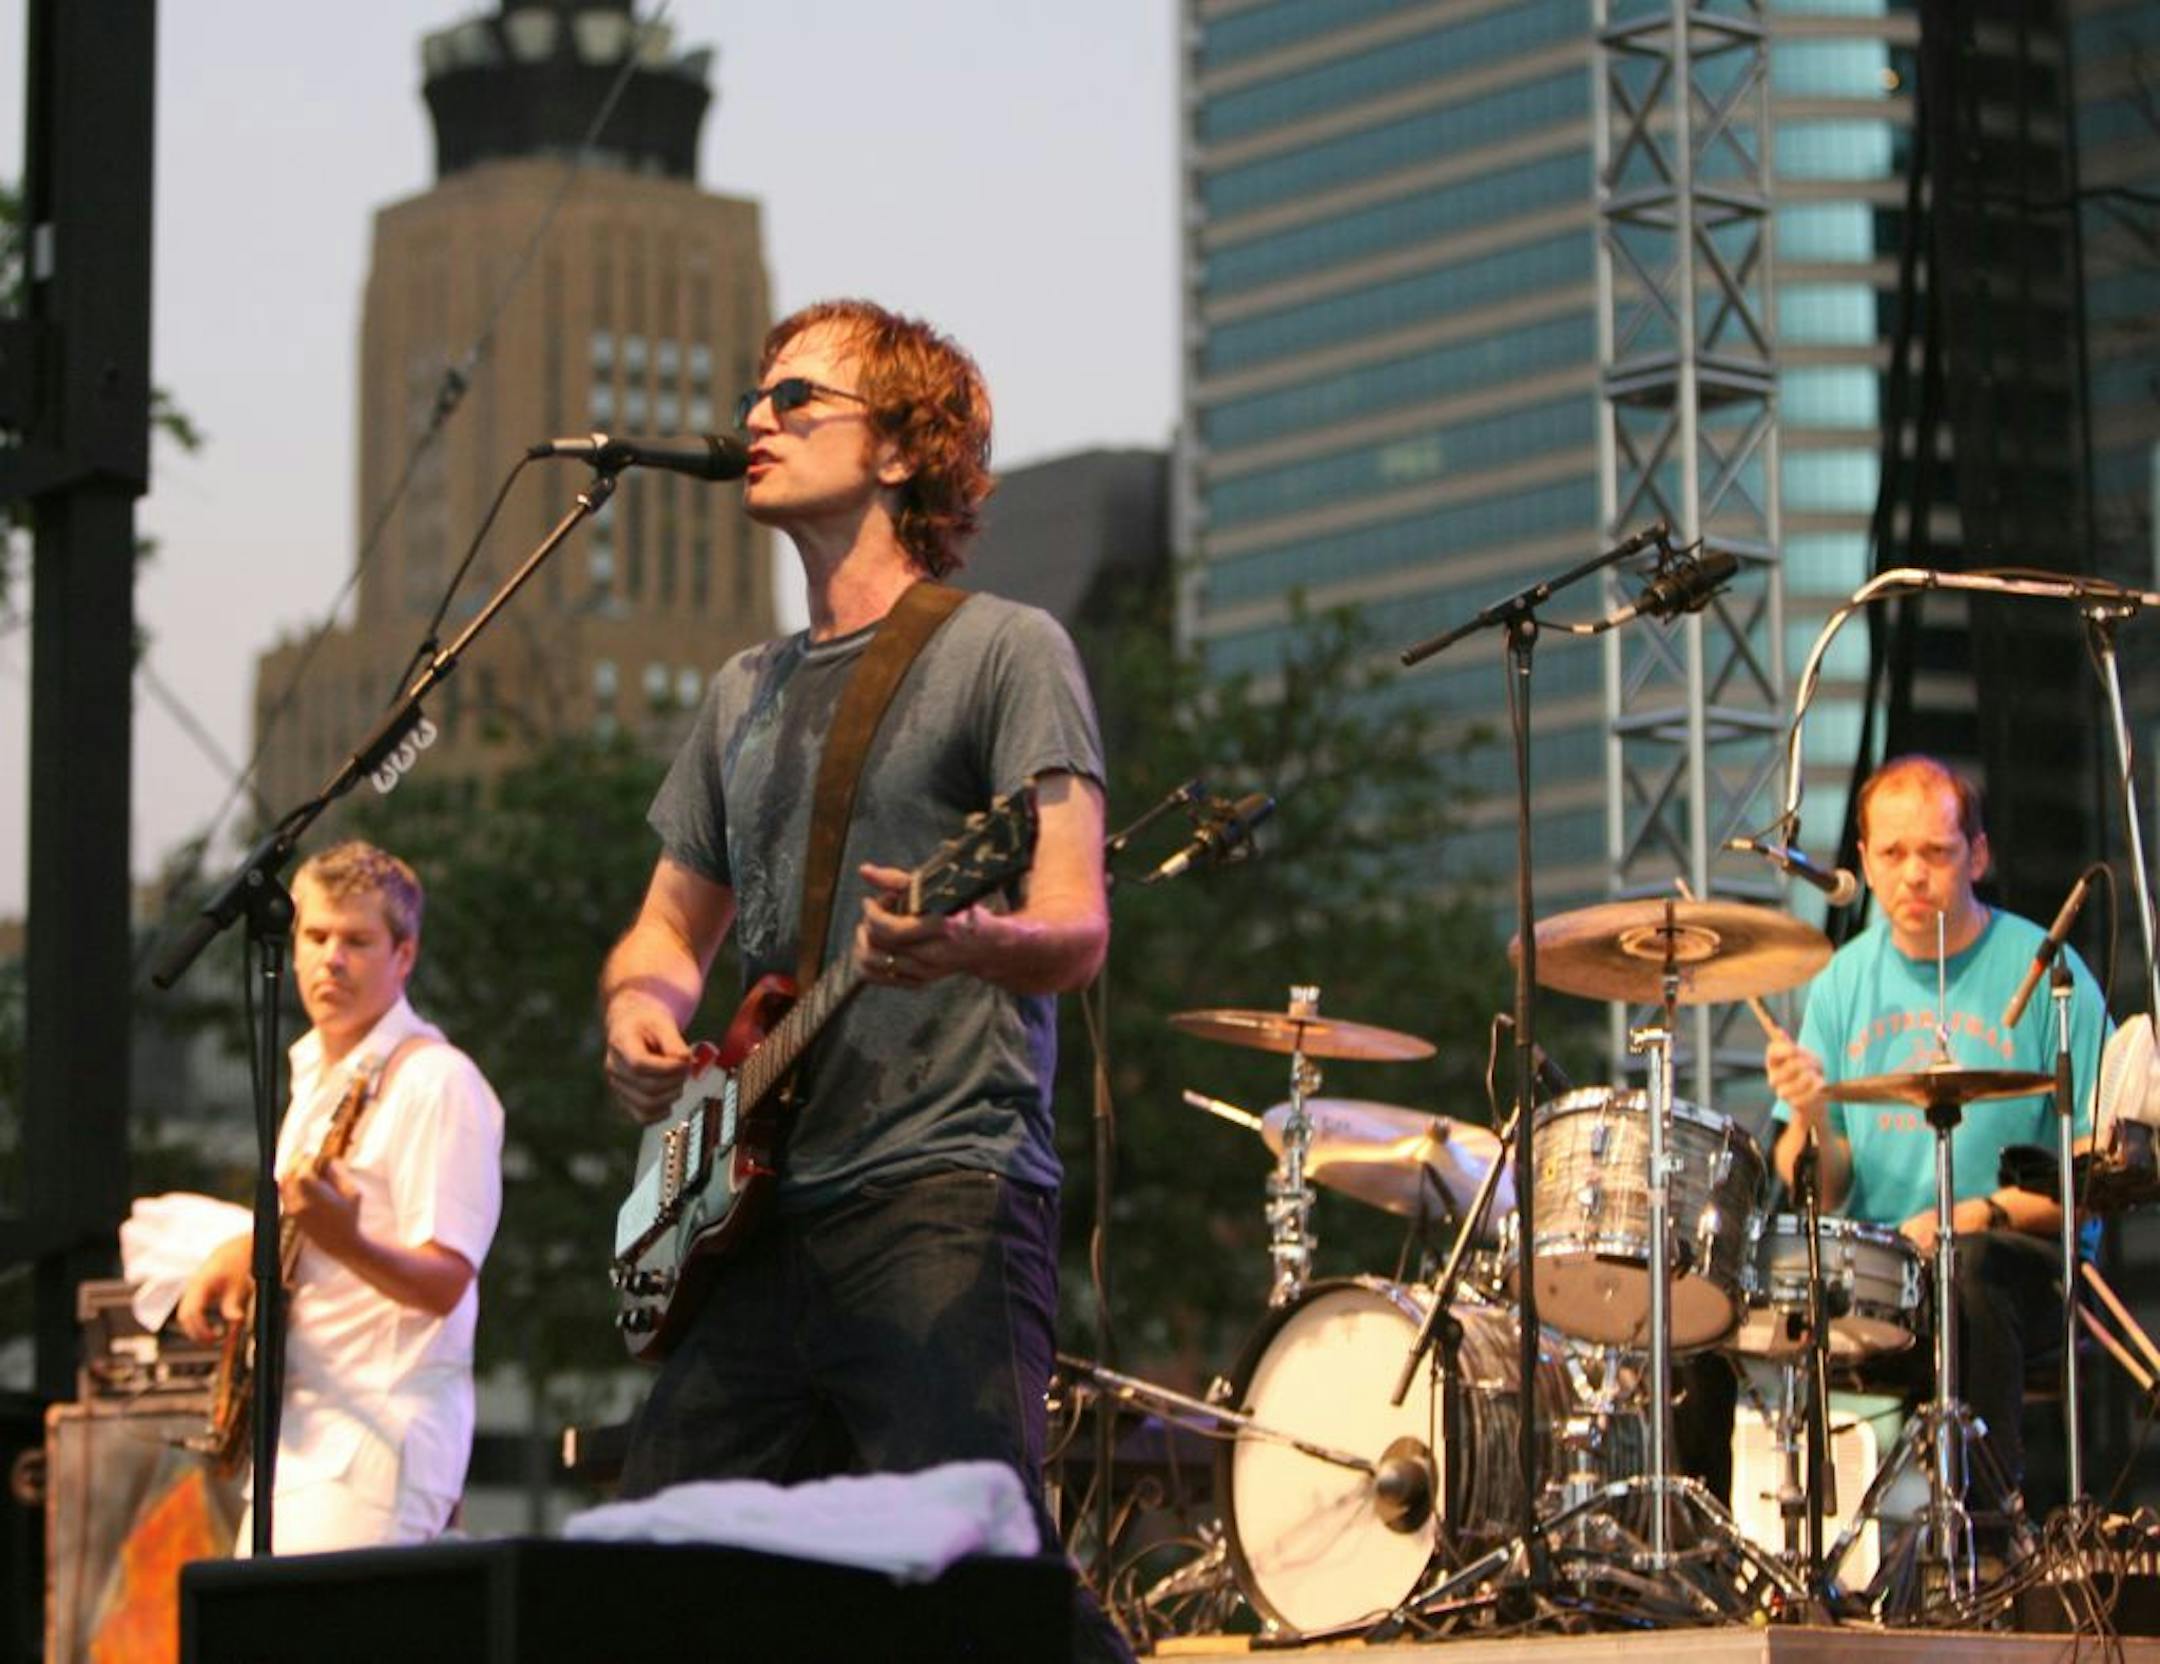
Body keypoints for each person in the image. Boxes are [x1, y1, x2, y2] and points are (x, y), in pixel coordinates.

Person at [599, 299, 1128, 1657]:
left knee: (981, 1579)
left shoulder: (1004, 651)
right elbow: (668, 932)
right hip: (757, 1218)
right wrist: (640, 1014)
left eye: (795, 401)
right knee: (658, 1573)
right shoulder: (741, 693)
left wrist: (969, 941)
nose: (753, 423)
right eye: (755, 397)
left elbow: (1072, 923)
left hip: (937, 1185)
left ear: (898, 450)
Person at [1760, 754, 2108, 1492]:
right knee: (1705, 1302)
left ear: (1977, 856)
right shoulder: (1841, 981)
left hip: (2020, 1267)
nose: (1913, 874)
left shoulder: (2048, 971)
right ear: (1864, 861)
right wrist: (1812, 1114)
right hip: (1883, 1278)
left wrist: (1973, 1216)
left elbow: (2097, 1172)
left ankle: (1983, 1541)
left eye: (1936, 852)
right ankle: (1703, 1556)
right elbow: (1822, 1182)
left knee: (1969, 1269)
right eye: (1891, 854)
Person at [177, 841, 505, 1554]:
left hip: (376, 1444)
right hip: (301, 1437)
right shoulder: (318, 1079)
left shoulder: (438, 1083)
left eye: (357, 940)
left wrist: (346, 1239)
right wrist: (246, 1249)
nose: (331, 958)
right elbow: (309, 1230)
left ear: (404, 955)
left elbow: (447, 1280)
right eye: (316, 936)